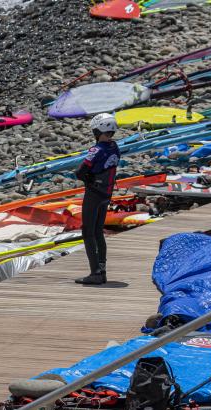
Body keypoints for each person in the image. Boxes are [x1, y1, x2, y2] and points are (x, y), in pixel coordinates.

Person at [74, 113, 120, 285]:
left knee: (88, 232)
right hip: (106, 195)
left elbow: (80, 172)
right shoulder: (115, 147)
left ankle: (95, 273)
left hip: (94, 195)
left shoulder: (96, 150)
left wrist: (87, 177)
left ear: (98, 130)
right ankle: (102, 270)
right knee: (98, 231)